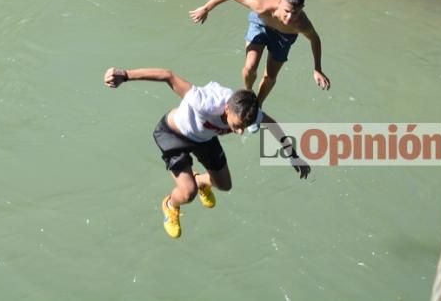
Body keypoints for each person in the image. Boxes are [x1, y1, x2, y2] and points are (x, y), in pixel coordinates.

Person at [104, 66, 309, 239]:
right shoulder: (205, 102)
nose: (239, 132)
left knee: (225, 185)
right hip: (173, 135)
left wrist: (293, 155)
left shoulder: (248, 111)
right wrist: (126, 74)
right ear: (227, 109)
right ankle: (170, 204)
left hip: (204, 138)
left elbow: (272, 125)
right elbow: (168, 75)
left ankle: (201, 182)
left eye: (244, 127)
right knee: (188, 193)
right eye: (236, 126)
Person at [189, 0, 330, 105]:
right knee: (250, 67)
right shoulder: (262, 5)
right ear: (280, 3)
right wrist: (206, 8)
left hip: (284, 37)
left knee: (270, 76)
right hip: (261, 25)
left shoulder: (302, 24)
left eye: (295, 13)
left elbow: (315, 40)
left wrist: (317, 68)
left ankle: (258, 104)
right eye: (286, 11)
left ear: (302, 8)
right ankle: (248, 94)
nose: (290, 17)